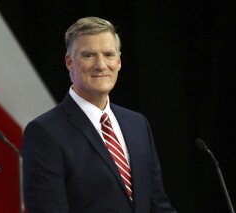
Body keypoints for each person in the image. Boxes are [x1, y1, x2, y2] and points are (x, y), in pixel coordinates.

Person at [22, 16, 177, 213]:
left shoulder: (138, 124)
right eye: (88, 55)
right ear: (69, 62)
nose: (101, 65)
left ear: (119, 61)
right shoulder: (45, 132)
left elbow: (158, 206)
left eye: (108, 54)